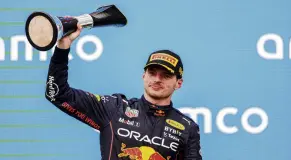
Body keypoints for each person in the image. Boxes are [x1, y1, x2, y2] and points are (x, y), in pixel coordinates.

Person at [45, 24, 202, 160]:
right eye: (152, 73)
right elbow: (57, 94)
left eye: (166, 75)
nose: (157, 79)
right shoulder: (115, 108)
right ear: (143, 76)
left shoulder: (187, 128)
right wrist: (62, 47)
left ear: (178, 83)